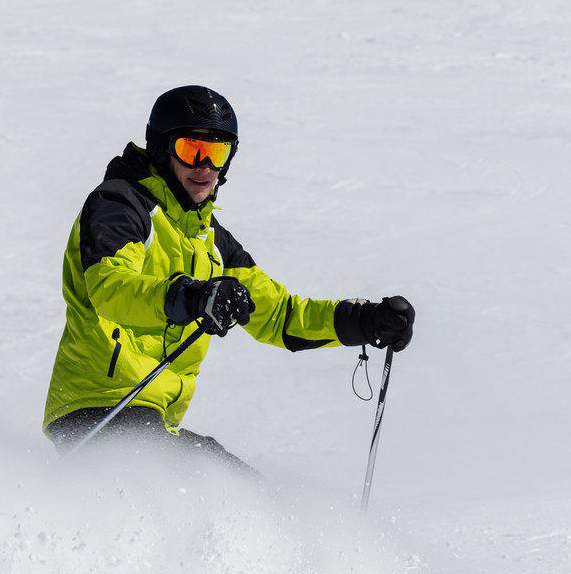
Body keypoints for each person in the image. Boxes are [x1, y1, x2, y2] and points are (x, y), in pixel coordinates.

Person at [43, 85, 414, 465]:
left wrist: (364, 322)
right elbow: (111, 289)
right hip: (98, 408)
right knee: (209, 483)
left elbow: (279, 315)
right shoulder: (120, 205)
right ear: (161, 148)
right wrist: (191, 297)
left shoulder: (210, 239)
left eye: (217, 152)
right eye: (192, 149)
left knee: (237, 486)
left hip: (151, 420)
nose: (205, 166)